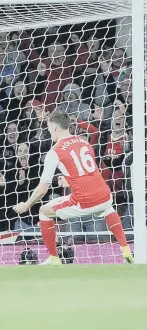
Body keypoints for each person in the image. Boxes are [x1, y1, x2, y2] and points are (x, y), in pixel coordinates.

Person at [13, 111, 133, 265]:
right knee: (108, 208)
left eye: (49, 128)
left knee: (44, 212)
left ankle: (54, 258)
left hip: (84, 200)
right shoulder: (85, 142)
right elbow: (88, 172)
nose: (49, 132)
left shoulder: (55, 151)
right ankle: (126, 252)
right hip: (104, 194)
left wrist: (26, 204)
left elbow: (42, 189)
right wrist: (70, 181)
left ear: (55, 128)